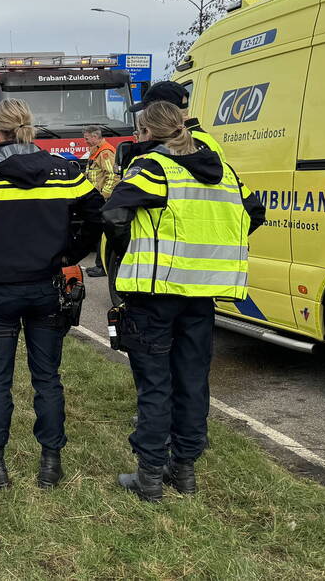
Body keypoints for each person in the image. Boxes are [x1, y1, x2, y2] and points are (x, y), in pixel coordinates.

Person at [103, 101, 265, 502]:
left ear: (146, 131)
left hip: (156, 292)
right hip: (202, 294)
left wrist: (133, 249)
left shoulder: (154, 168)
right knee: (192, 381)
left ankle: (150, 476)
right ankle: (185, 471)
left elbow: (113, 215)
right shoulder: (224, 172)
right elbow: (254, 213)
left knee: (155, 383)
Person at [0, 99, 103, 490]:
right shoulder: (63, 169)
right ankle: (50, 465)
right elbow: (98, 211)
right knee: (47, 379)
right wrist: (72, 252)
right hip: (46, 287)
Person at [129, 81, 225, 160]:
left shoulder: (180, 143)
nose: (145, 118)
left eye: (148, 113)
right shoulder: (203, 137)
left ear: (162, 112)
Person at [82, 126, 119, 278]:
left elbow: (113, 176)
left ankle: (102, 266)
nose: (85, 141)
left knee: (103, 234)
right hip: (96, 198)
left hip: (103, 199)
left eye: (87, 138)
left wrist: (104, 195)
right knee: (99, 232)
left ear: (95, 137)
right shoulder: (96, 151)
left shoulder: (105, 152)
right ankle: (100, 265)